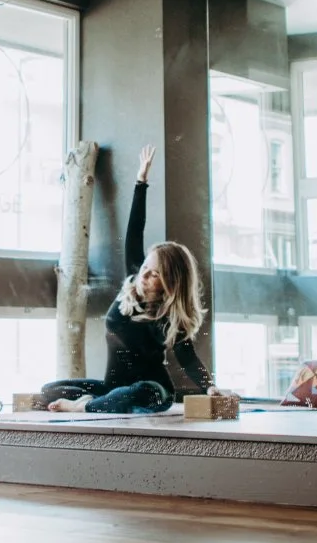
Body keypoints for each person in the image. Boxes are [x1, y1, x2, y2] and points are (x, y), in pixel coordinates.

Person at [40, 144, 210, 414]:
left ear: (169, 284)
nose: (145, 275)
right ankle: (95, 403)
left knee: (139, 392)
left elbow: (188, 358)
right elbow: (134, 231)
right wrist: (141, 181)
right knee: (50, 390)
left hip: (153, 391)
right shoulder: (132, 281)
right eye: (145, 267)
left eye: (155, 274)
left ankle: (85, 408)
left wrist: (210, 388)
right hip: (112, 388)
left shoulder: (167, 319)